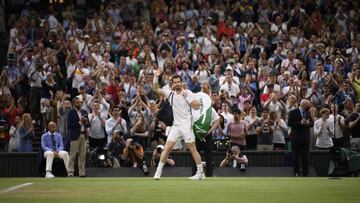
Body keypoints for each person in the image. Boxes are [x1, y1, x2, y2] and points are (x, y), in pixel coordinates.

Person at [152, 73, 205, 180]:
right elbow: (155, 89)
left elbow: (197, 106)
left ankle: (200, 173)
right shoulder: (170, 94)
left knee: (192, 148)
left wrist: (187, 98)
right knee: (167, 147)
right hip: (175, 126)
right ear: (172, 84)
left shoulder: (188, 93)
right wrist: (156, 76)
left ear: (181, 83)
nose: (176, 84)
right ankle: (158, 172)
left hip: (186, 125)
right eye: (174, 82)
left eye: (178, 82)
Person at [288, 99, 313, 176]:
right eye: (308, 105)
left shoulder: (308, 113)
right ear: (303, 105)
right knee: (295, 155)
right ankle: (296, 172)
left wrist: (308, 123)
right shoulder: (293, 112)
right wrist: (300, 123)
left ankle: (305, 172)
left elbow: (312, 123)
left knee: (305, 156)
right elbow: (290, 123)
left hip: (305, 138)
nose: (309, 106)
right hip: (296, 138)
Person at [67, 97, 90, 177]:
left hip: (84, 135)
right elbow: (69, 125)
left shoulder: (84, 112)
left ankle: (82, 173)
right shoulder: (70, 113)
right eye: (77, 102)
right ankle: (70, 172)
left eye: (80, 102)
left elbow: (88, 125)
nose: (79, 104)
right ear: (73, 103)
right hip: (75, 135)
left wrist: (86, 122)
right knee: (72, 155)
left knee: (82, 156)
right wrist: (80, 122)